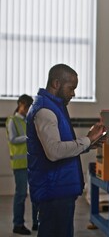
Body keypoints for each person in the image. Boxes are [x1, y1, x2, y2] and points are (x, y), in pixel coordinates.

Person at [26, 64, 106, 237]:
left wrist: (88, 145)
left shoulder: (55, 106)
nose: (73, 93)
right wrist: (88, 139)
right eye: (71, 88)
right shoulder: (45, 111)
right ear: (56, 83)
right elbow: (54, 151)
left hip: (59, 190)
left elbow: (62, 146)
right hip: (53, 192)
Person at [6, 94, 38, 235]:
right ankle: (18, 224)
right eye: (26, 106)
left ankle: (37, 222)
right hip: (20, 164)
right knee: (21, 195)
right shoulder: (12, 120)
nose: (27, 109)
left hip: (32, 163)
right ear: (20, 104)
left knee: (36, 193)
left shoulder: (28, 121)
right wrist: (28, 136)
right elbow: (13, 139)